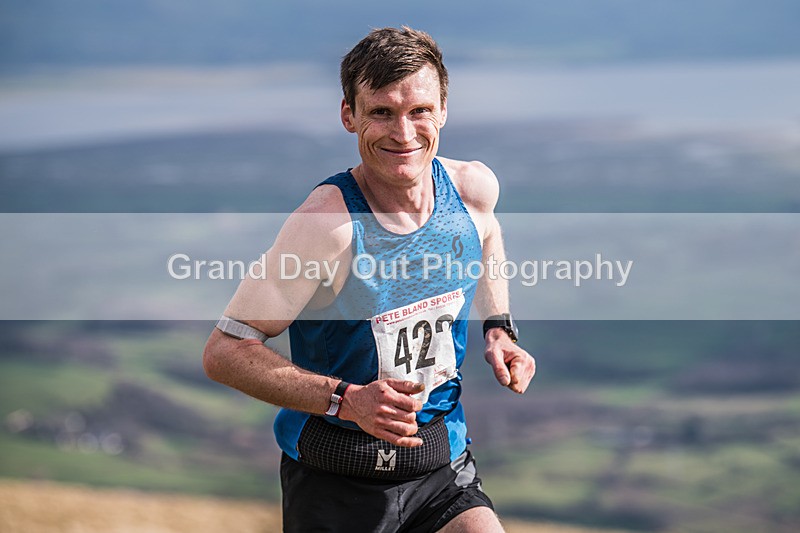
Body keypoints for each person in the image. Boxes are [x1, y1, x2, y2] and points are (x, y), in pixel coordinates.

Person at [203, 26, 535, 532]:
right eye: (381, 112)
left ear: (443, 109)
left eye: (419, 110)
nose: (403, 134)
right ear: (348, 115)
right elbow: (224, 352)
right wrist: (347, 400)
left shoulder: (472, 191)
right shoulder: (325, 227)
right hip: (336, 482)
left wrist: (499, 326)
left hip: (440, 468)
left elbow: (485, 240)